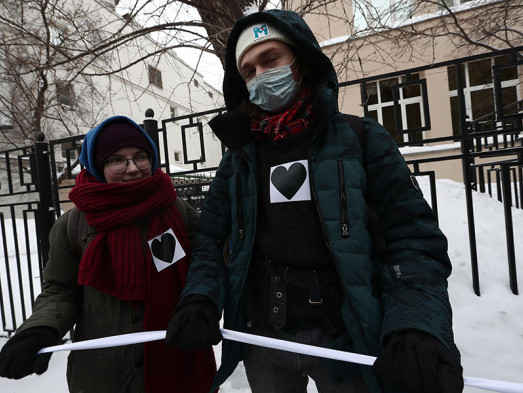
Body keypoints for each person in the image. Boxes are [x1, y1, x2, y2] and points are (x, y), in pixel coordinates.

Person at [165, 9, 463, 393]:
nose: (260, 76)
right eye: (249, 71)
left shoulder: (361, 139)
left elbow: (413, 240)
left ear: (302, 61)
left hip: (346, 338)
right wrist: (201, 297)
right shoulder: (239, 159)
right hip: (263, 339)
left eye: (270, 59)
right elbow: (211, 241)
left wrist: (415, 321)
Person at [0, 115, 217, 392]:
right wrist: (41, 329)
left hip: (179, 360)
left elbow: (206, 267)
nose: (133, 168)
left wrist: (201, 301)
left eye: (141, 157)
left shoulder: (179, 211)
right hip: (104, 374)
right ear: (98, 165)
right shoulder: (73, 225)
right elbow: (60, 290)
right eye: (117, 160)